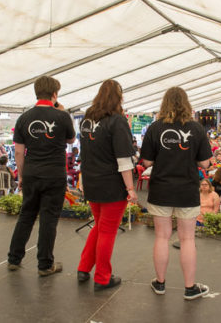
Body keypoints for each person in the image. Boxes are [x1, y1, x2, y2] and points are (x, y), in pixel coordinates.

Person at [140, 86, 211, 300]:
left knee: (162, 237)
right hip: (187, 190)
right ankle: (190, 288)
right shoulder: (197, 129)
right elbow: (206, 163)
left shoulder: (154, 128)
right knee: (187, 239)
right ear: (186, 104)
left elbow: (147, 162)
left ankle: (160, 283)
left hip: (161, 188)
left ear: (165, 103)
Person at [7, 75, 75, 276]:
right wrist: (61, 112)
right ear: (55, 94)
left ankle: (14, 258)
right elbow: (71, 139)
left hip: (31, 173)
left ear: (37, 93)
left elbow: (19, 151)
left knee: (26, 215)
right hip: (54, 174)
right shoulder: (62, 117)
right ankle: (45, 265)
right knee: (48, 220)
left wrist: (21, 175)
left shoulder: (24, 118)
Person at [77, 79, 138, 291]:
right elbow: (123, 160)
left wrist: (83, 179)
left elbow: (85, 154)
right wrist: (130, 189)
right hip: (111, 184)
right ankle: (102, 277)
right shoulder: (117, 121)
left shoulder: (87, 119)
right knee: (107, 231)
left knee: (100, 225)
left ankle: (84, 267)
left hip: (92, 181)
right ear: (118, 98)